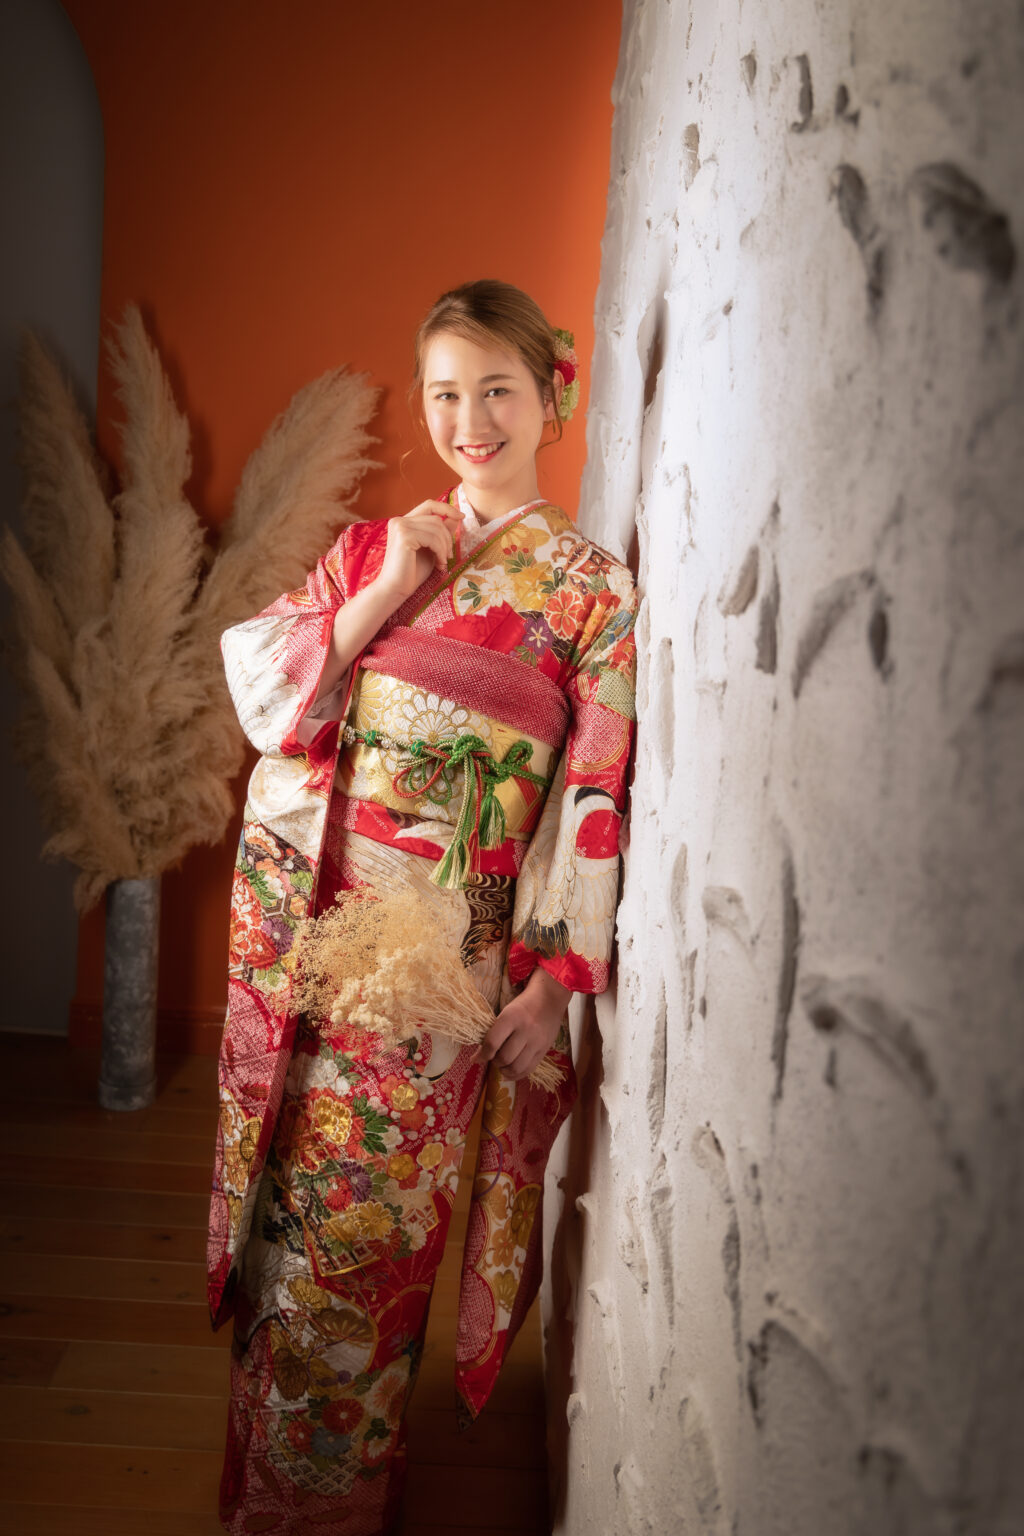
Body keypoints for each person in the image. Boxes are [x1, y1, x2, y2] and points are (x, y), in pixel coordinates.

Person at [208, 279, 638, 1535]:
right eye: (446, 395)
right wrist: (383, 585)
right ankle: (266, 1494)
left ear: (554, 395)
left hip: (443, 966)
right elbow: (269, 698)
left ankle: (331, 1503)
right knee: (289, 1226)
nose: (471, 422)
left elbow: (592, 791)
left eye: (497, 390)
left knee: (373, 1231)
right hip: (323, 938)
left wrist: (549, 984)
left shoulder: (592, 592)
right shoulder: (375, 550)